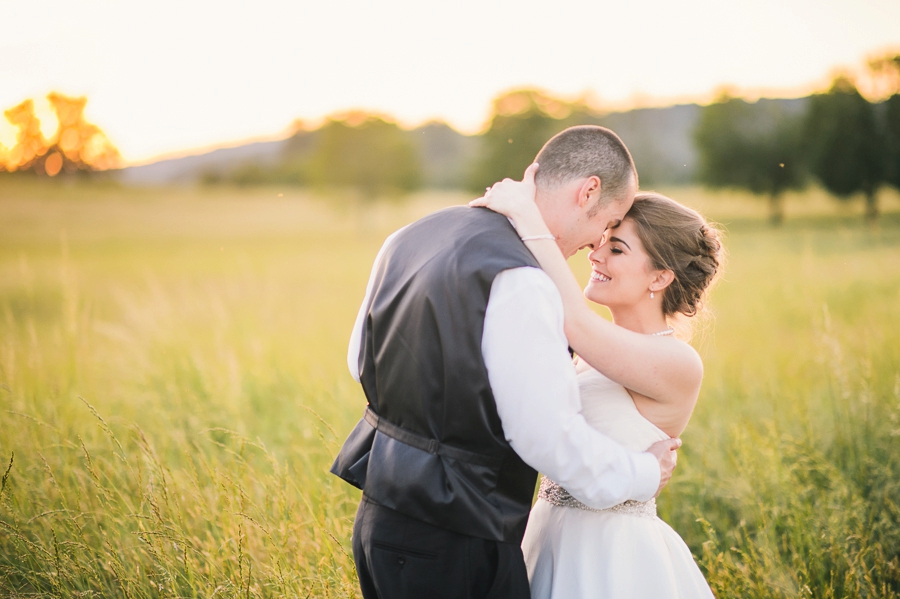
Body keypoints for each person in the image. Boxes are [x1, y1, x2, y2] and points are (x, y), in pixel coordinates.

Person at [330, 125, 681, 599]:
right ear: (588, 191)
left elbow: (360, 362)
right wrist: (643, 473)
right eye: (609, 221)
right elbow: (545, 436)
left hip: (378, 522)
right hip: (458, 534)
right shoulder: (522, 278)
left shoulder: (407, 236)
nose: (598, 241)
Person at [470, 163, 723, 598]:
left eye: (617, 250)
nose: (595, 255)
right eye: (602, 242)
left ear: (661, 277)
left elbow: (578, 325)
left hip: (614, 556)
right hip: (547, 534)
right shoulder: (589, 353)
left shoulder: (677, 361)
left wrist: (528, 218)